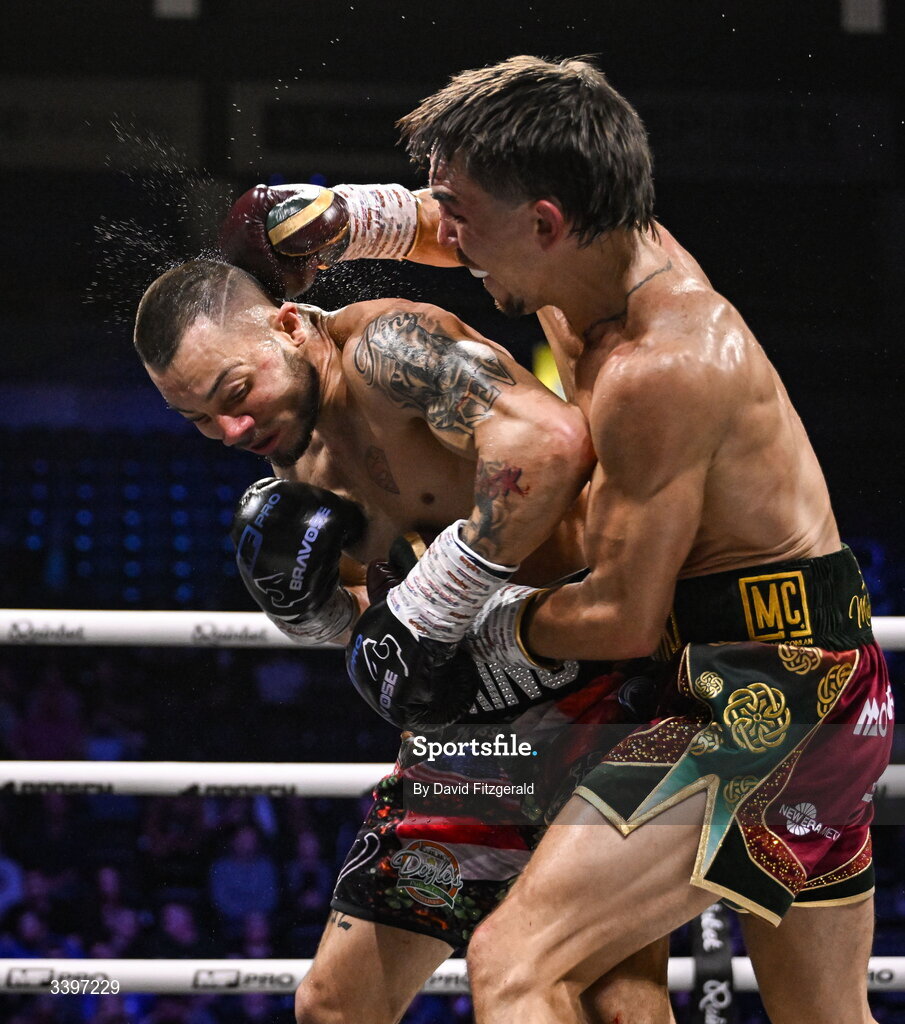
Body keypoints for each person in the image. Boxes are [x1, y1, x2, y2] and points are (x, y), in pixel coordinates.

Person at [221, 54, 893, 1024]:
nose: (442, 230)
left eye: (458, 208)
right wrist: (345, 216)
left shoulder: (661, 363)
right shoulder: (588, 250)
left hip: (770, 689)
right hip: (795, 669)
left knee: (519, 962)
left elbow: (620, 613)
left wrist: (450, 626)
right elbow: (449, 227)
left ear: (542, 222)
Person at [133, 259, 675, 1024]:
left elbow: (551, 443)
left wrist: (435, 594)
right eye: (198, 419)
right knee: (334, 1007)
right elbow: (388, 636)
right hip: (470, 736)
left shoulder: (389, 351)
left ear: (288, 325)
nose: (229, 432)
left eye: (232, 394)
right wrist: (318, 615)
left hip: (597, 690)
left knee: (616, 997)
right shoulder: (294, 450)